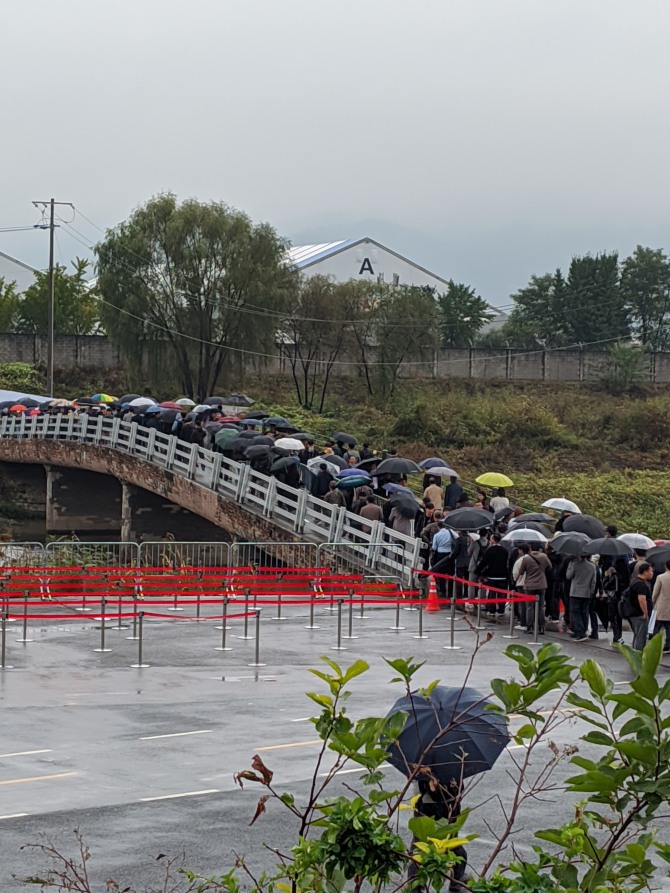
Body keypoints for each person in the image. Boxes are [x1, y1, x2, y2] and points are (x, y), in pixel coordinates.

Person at [408, 776, 467, 892]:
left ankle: (457, 881)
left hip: (449, 805)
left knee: (456, 848)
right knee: (420, 847)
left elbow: (459, 788)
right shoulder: (422, 765)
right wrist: (432, 786)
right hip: (426, 806)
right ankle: (414, 886)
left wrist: (454, 790)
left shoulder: (454, 769)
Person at [517, 542, 552, 635]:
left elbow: (521, 572)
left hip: (530, 585)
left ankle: (530, 627)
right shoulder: (544, 556)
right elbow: (550, 567)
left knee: (530, 607)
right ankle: (541, 627)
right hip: (541, 584)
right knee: (541, 607)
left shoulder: (526, 558)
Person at [477, 533, 509, 618]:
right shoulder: (505, 550)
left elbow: (484, 562)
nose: (490, 541)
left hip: (492, 575)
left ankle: (492, 610)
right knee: (502, 593)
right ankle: (501, 609)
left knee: (492, 593)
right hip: (503, 575)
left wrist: (479, 571)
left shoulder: (489, 550)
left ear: (494, 540)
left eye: (491, 539)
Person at [566, 555, 597, 641]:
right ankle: (584, 630)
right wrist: (591, 591)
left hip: (575, 592)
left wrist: (570, 566)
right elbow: (593, 581)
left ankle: (579, 631)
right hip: (586, 592)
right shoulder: (592, 566)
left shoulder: (575, 564)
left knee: (575, 612)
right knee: (584, 612)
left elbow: (568, 576)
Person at [627, 562, 654, 651]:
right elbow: (642, 599)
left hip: (633, 612)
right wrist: (645, 613)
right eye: (651, 571)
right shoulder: (641, 584)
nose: (652, 573)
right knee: (641, 636)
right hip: (639, 613)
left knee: (637, 634)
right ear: (645, 572)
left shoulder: (634, 580)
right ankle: (638, 655)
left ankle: (634, 653)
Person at [431, 521, 456, 599]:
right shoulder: (451, 533)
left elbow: (434, 547)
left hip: (440, 555)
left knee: (441, 574)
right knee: (451, 574)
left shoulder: (436, 535)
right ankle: (450, 592)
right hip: (450, 555)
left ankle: (443, 591)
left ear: (438, 527)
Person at [651, 559, 670, 653]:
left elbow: (655, 592)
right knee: (669, 627)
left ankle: (654, 644)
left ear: (666, 567)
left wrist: (652, 602)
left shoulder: (661, 577)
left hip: (662, 605)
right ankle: (668, 645)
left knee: (657, 626)